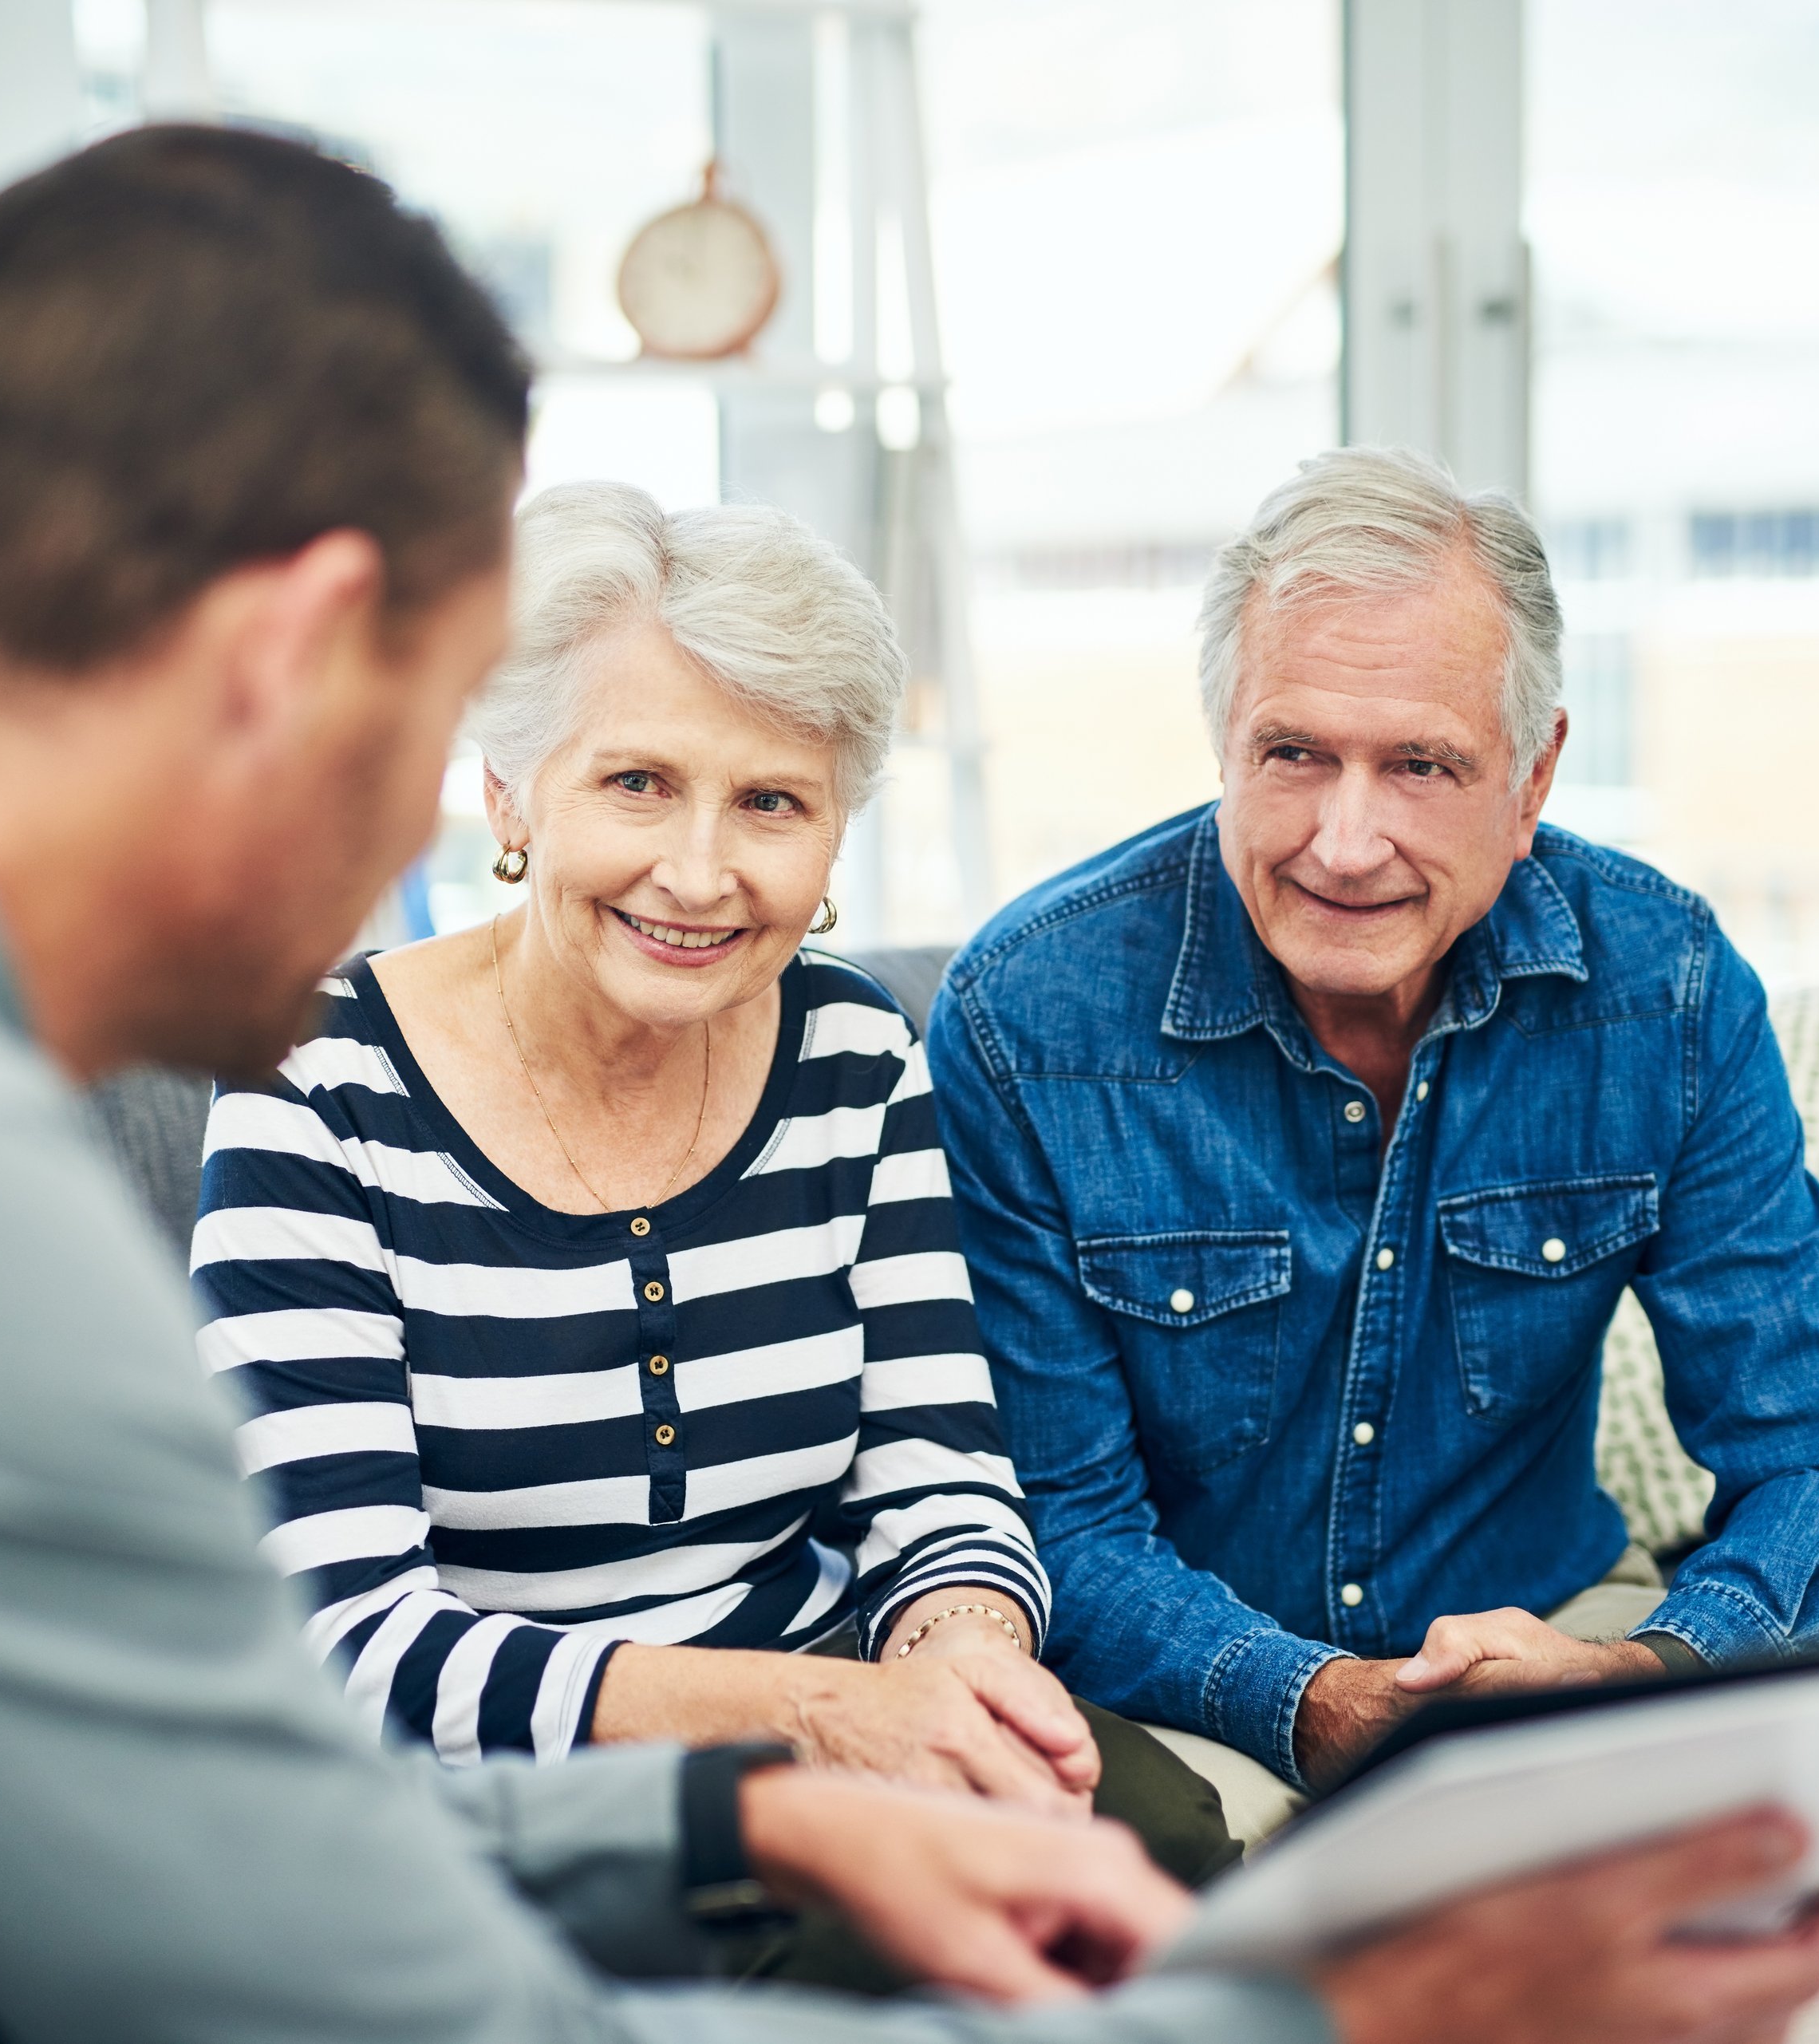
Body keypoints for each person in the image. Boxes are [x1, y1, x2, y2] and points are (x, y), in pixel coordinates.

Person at [0, 128, 1819, 2044]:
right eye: (476, 742)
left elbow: (207, 1819)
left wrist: (741, 1803)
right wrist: (1370, 1999)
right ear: (308, 656)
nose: (474, 845)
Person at [925, 445, 1819, 1915]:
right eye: (1294, 754)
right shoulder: (1029, 1015)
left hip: (1558, 1632)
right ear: (1223, 745)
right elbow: (1056, 1527)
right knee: (1223, 1871)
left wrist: (1637, 1676)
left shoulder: (1667, 988)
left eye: (1421, 766)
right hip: (1200, 1694)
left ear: (1532, 777)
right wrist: (1315, 1696)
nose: (1344, 838)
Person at [195, 479, 1233, 1898]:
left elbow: (943, 1476)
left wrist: (960, 1664)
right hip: (493, 1798)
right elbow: (347, 1632)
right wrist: (806, 1712)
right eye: (637, 783)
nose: (699, 873)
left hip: (838, 1715)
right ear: (509, 790)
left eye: (770, 802)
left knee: (1147, 1845)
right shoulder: (309, 1078)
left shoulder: (851, 1047)